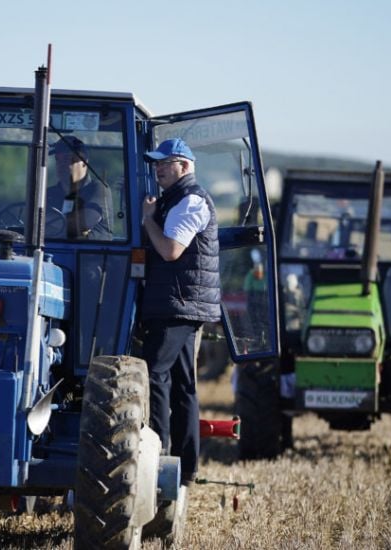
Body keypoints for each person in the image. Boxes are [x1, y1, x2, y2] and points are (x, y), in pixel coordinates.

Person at [139, 138, 221, 487]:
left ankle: (159, 457)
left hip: (177, 303)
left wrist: (147, 220)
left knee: (154, 373)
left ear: (184, 166)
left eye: (165, 162)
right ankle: (186, 468)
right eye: (155, 162)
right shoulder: (178, 199)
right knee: (183, 386)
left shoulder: (191, 201)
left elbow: (171, 250)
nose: (157, 167)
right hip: (183, 302)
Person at [46, 137, 113, 240]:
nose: (61, 163)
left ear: (84, 162)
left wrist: (48, 220)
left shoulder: (98, 189)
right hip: (52, 251)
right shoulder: (48, 193)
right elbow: (32, 224)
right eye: (58, 158)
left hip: (89, 253)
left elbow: (81, 224)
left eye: (68, 158)